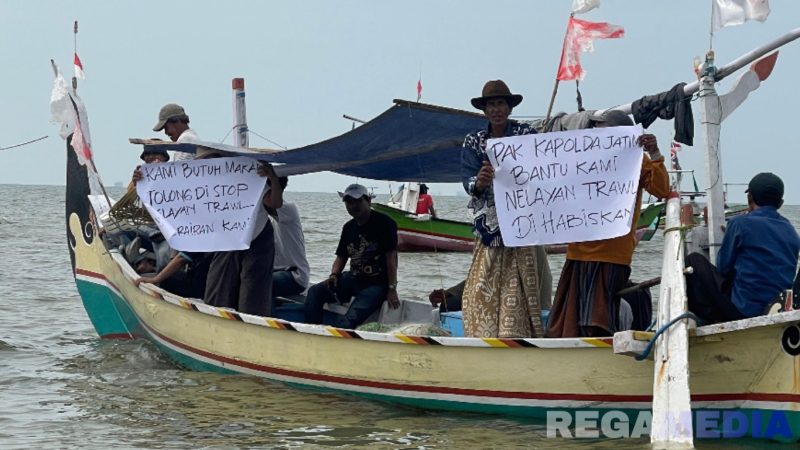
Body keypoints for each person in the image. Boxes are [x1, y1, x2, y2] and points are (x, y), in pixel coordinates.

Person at [547, 111, 670, 338]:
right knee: (569, 318)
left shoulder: (637, 160)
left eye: (602, 128)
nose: (597, 133)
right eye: (596, 129)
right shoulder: (581, 159)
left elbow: (662, 190)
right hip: (578, 250)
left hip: (613, 252)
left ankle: (603, 353)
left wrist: (654, 153)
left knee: (600, 317)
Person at [460, 79, 550, 338]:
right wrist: (479, 181)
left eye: (500, 103)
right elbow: (467, 180)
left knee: (520, 286)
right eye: (491, 105)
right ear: (484, 110)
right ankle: (482, 333)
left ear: (509, 108)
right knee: (481, 285)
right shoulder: (474, 141)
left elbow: (543, 169)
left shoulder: (526, 136)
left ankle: (516, 333)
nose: (496, 109)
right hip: (489, 227)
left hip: (521, 224)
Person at [685, 172, 800, 324]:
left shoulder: (739, 223)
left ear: (749, 197)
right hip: (777, 308)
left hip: (744, 310)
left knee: (694, 261)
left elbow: (723, 268)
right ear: (780, 203)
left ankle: (710, 318)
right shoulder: (791, 231)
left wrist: (731, 236)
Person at [304, 183, 400, 329]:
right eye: (348, 201)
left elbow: (391, 257)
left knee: (348, 321)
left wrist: (392, 288)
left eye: (358, 201)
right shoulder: (348, 227)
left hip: (377, 284)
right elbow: (341, 256)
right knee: (314, 292)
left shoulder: (385, 223)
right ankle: (311, 331)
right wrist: (334, 275)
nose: (353, 205)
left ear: (368, 201)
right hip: (353, 278)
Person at [201, 148, 280, 316]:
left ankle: (251, 327)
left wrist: (272, 178)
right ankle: (215, 321)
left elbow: (274, 203)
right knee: (218, 286)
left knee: (253, 292)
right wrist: (140, 182)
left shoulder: (247, 177)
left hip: (257, 236)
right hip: (229, 237)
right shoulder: (199, 184)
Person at [265, 176, 310, 303]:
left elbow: (268, 205)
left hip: (295, 276)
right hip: (277, 270)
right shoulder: (268, 217)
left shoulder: (288, 209)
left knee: (261, 284)